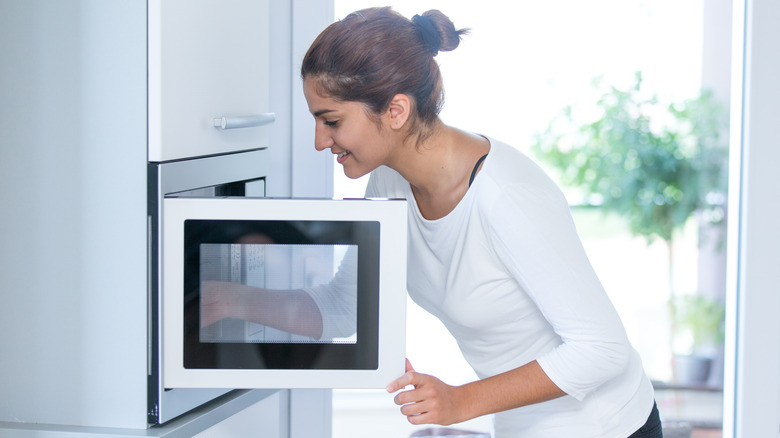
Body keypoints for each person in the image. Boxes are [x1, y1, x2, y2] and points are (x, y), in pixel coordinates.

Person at [300, 7, 662, 438]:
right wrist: (227, 301)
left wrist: (460, 401)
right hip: (520, 427)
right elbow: (344, 307)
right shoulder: (388, 180)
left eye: (332, 121)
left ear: (395, 110)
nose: (321, 141)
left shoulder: (506, 196)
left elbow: (603, 350)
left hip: (606, 427)